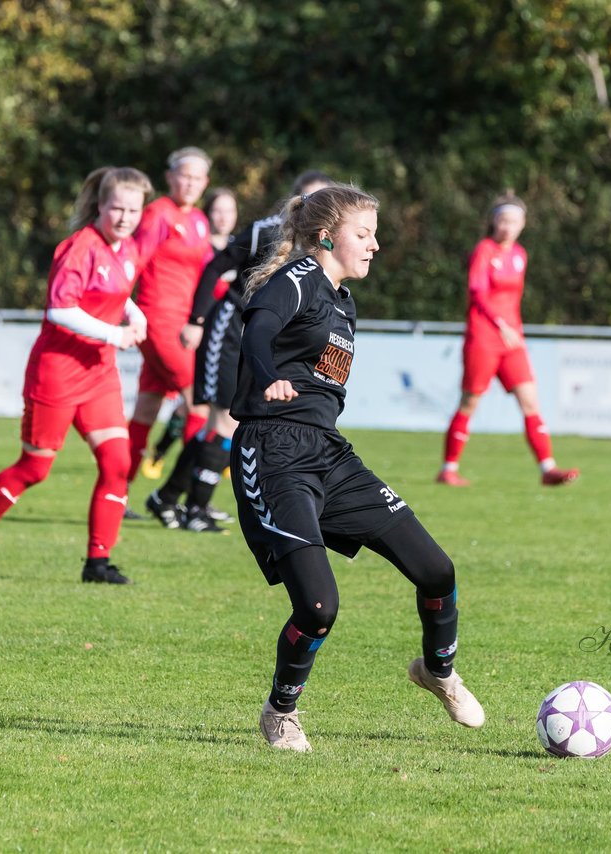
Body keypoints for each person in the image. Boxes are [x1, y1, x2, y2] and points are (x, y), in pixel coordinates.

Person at [230, 185, 484, 752]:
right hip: (273, 453)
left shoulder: (344, 300)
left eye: (375, 234)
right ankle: (281, 711)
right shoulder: (294, 279)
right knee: (318, 608)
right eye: (364, 234)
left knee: (436, 570)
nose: (375, 245)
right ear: (327, 236)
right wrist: (270, 374)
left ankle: (438, 671)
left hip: (329, 453)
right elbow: (259, 330)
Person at [0, 167, 151, 584]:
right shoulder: (79, 247)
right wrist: (115, 332)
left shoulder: (128, 248)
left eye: (134, 209)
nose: (126, 217)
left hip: (99, 374)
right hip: (57, 373)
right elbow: (60, 309)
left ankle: (98, 562)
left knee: (117, 462)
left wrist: (135, 313)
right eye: (118, 208)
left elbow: (115, 293)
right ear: (100, 205)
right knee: (35, 469)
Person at [147, 171, 332, 534]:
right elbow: (216, 266)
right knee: (226, 421)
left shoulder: (324, 243)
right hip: (229, 328)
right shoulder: (266, 230)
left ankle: (168, 497)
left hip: (261, 336)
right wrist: (197, 319)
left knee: (225, 424)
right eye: (311, 199)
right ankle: (196, 508)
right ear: (297, 200)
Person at [437, 193, 579, 487]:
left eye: (513, 221)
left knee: (530, 401)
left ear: (523, 224)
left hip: (512, 340)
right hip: (484, 336)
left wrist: (511, 327)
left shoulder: (520, 255)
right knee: (470, 402)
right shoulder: (484, 251)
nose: (507, 226)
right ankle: (448, 468)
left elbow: (511, 301)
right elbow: (477, 292)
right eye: (502, 220)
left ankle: (547, 469)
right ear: (493, 221)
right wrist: (499, 323)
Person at [123, 147, 215, 520]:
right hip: (160, 322)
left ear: (205, 183)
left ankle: (117, 494)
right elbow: (133, 262)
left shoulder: (198, 220)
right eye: (184, 175)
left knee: (146, 408)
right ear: (170, 177)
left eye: (197, 177)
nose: (190, 183)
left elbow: (207, 272)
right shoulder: (158, 213)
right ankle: (182, 495)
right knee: (202, 406)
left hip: (184, 323)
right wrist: (124, 311)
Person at [138, 185, 239, 481]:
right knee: (194, 402)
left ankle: (202, 465)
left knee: (198, 403)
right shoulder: (198, 247)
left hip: (222, 336)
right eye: (217, 210)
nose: (222, 217)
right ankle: (179, 475)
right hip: (193, 330)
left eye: (228, 210)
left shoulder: (240, 248)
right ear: (208, 214)